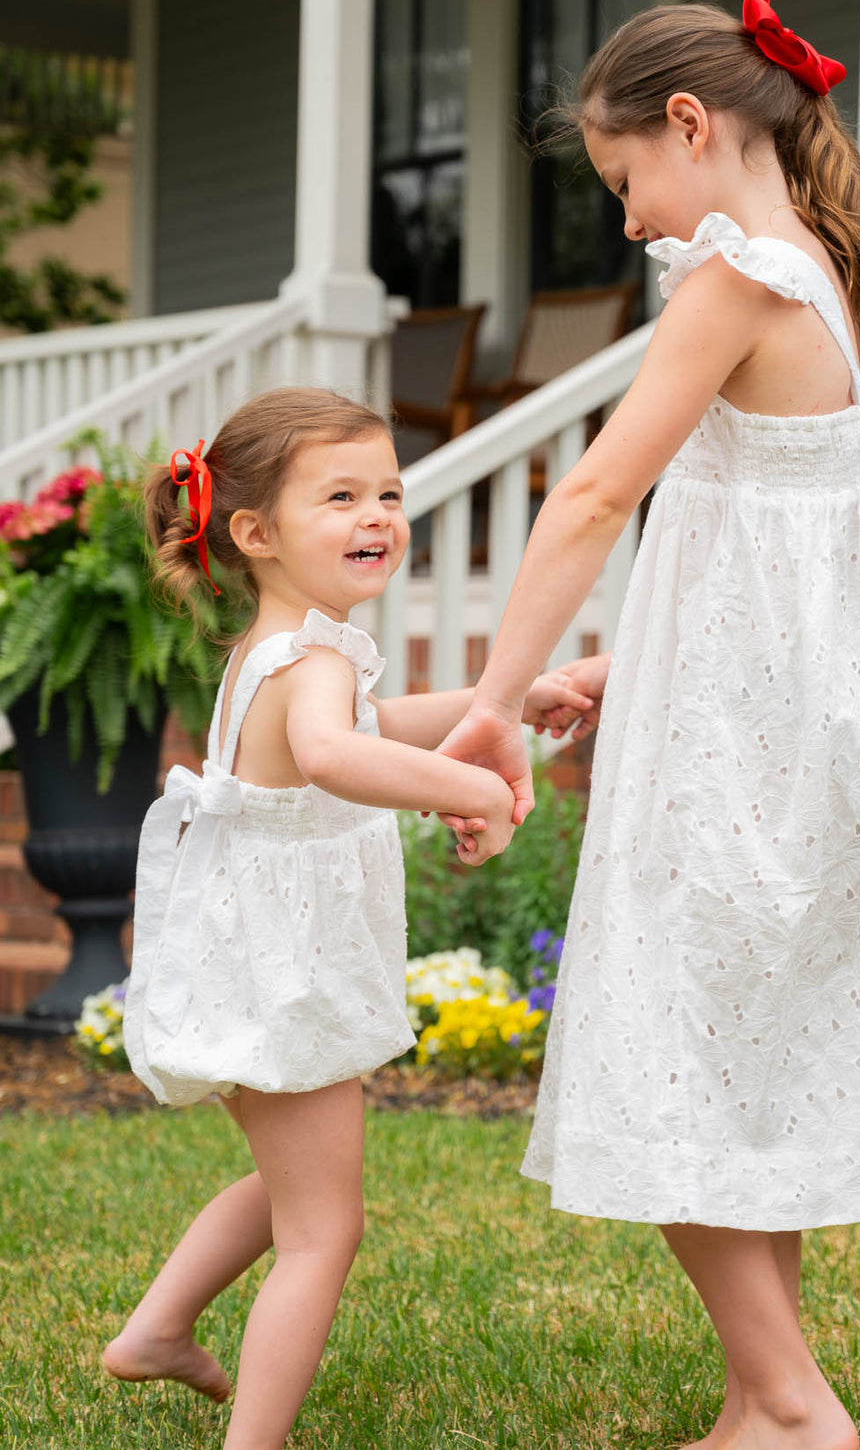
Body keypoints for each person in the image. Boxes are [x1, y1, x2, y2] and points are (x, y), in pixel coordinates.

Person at [438, 0, 860, 1450]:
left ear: (690, 125)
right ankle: (763, 1397)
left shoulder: (737, 280)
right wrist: (633, 662)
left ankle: (805, 1412)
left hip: (750, 745)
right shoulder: (825, 271)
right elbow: (775, 536)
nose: (628, 223)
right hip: (795, 721)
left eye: (626, 182)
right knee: (737, 1055)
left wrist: (497, 701)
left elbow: (593, 495)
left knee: (667, 1041)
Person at [103, 387, 593, 1450]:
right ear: (255, 533)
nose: (377, 514)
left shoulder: (282, 647)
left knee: (290, 1182)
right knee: (325, 1230)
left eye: (388, 492)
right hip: (284, 960)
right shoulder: (311, 658)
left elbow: (376, 724)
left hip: (258, 949)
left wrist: (508, 702)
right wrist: (466, 790)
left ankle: (156, 1331)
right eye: (341, 496)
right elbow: (334, 755)